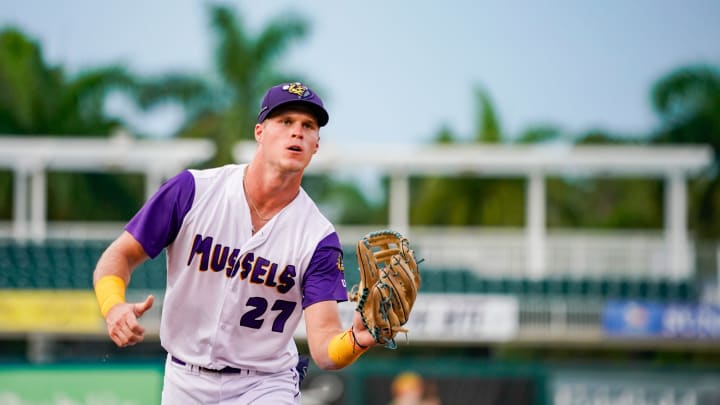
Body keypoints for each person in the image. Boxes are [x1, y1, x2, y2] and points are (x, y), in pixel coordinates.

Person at [92, 82, 377, 404]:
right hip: (184, 379)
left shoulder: (318, 237)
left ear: (316, 145)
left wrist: (357, 339)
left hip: (264, 385)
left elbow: (325, 348)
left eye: (308, 126)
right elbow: (120, 254)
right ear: (259, 132)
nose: (297, 132)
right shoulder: (193, 191)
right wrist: (112, 305)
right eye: (285, 122)